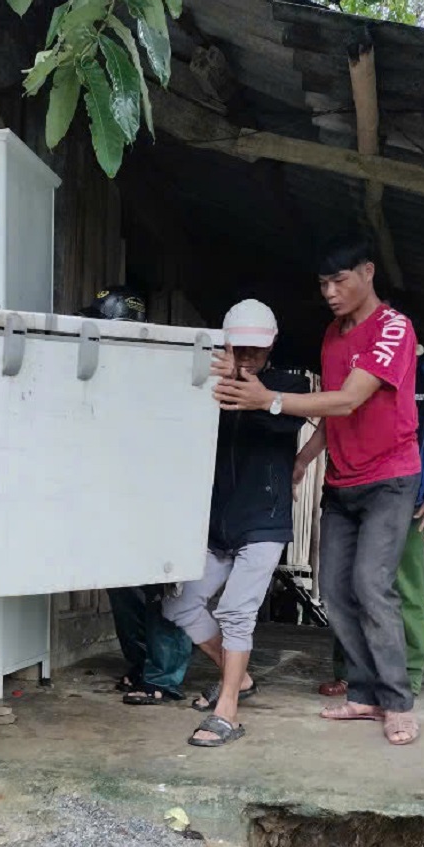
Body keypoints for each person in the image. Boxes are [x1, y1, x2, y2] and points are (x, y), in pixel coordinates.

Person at [213, 237, 422, 746]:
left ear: (367, 272)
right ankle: (365, 692)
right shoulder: (332, 335)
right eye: (323, 284)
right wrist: (305, 460)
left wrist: (270, 401)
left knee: (372, 586)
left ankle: (397, 702)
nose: (330, 292)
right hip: (342, 480)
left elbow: (350, 399)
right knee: (334, 587)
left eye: (339, 280)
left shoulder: (394, 329)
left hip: (390, 477)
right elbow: (332, 410)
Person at [164, 300, 307, 747]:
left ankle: (226, 711)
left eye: (255, 351)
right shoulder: (205, 385)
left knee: (237, 613)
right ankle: (238, 678)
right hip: (216, 524)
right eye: (238, 349)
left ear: (271, 348)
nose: (247, 358)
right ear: (224, 344)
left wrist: (244, 381)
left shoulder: (288, 386)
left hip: (264, 523)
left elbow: (281, 423)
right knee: (178, 605)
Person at [319, 347, 424, 698]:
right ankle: (349, 674)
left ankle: (408, 677)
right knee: (347, 587)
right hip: (353, 496)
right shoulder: (359, 368)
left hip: (408, 502)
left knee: (405, 590)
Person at [80, 285, 194, 705]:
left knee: (160, 590)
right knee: (124, 587)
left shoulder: (163, 369)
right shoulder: (101, 371)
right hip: (119, 498)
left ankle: (163, 676)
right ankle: (141, 666)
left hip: (157, 498)